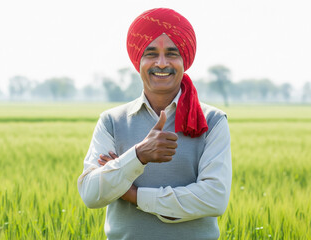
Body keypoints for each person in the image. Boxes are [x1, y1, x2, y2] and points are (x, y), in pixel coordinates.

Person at [77, 8, 232, 240]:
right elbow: (90, 194)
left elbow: (214, 199)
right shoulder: (112, 121)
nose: (161, 63)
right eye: (151, 53)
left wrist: (132, 194)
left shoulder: (213, 121)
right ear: (138, 61)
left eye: (171, 53)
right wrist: (139, 155)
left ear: (184, 61)